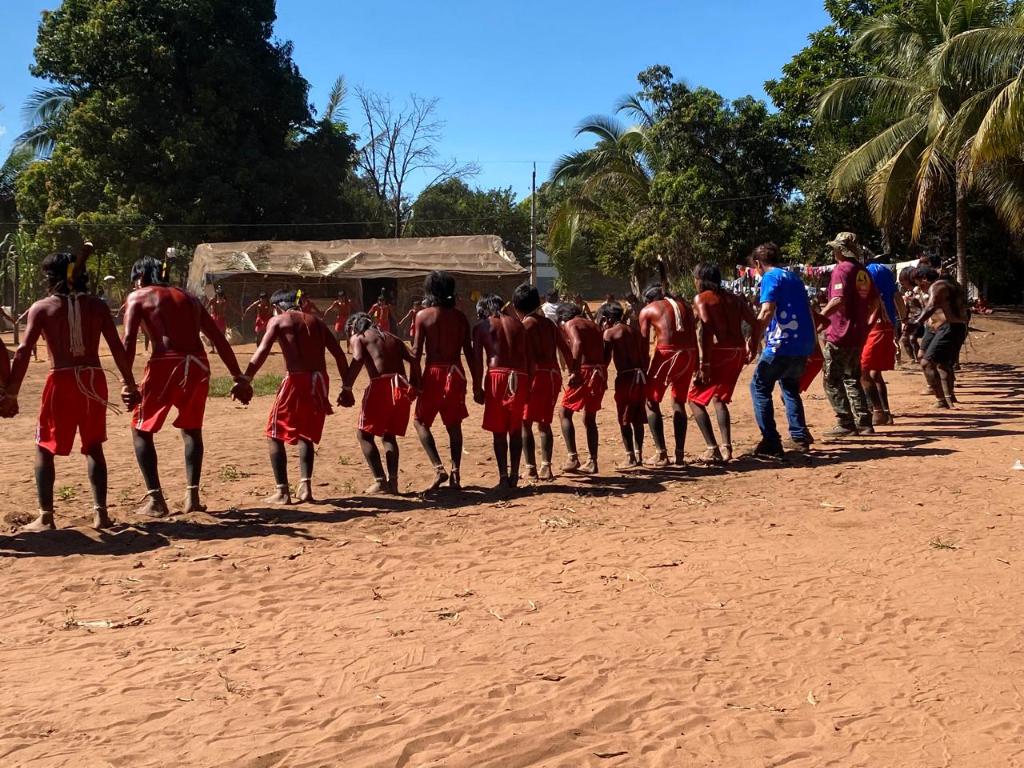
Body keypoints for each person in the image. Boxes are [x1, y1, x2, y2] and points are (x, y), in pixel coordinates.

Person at [1, 247, 141, 531]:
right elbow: (117, 347)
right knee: (93, 446)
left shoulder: (43, 307)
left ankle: (46, 516)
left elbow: (24, 351)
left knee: (44, 447)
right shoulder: (97, 306)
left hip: (61, 381)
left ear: (51, 277)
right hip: (93, 380)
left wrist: (11, 393)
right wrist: (128, 382)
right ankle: (101, 514)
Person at [123, 257, 252, 517]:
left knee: (141, 429)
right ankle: (192, 497)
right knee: (192, 429)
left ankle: (156, 500)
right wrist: (238, 376)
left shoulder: (139, 296)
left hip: (166, 362)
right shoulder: (190, 298)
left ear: (141, 277)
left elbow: (128, 340)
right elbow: (218, 338)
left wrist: (128, 383)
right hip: (198, 364)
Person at [236, 290, 349, 505]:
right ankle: (305, 487)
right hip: (320, 380)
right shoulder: (317, 322)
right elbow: (339, 355)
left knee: (274, 433)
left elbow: (263, 350)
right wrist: (347, 386)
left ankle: (282, 491)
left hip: (297, 379)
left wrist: (246, 379)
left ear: (277, 307)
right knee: (306, 433)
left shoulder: (279, 320)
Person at [340, 312, 420, 494]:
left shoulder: (359, 337)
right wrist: (416, 384)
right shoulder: (392, 337)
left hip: (381, 385)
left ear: (353, 327)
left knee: (364, 435)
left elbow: (357, 359)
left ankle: (380, 481)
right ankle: (393, 482)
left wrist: (346, 388)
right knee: (388, 436)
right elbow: (414, 358)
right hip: (401, 386)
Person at [747, 243, 815, 456]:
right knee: (790, 387)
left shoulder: (770, 277)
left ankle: (771, 441)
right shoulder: (794, 278)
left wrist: (754, 340)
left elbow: (766, 311)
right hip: (802, 344)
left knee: (759, 387)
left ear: (758, 263)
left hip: (780, 344)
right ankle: (799, 436)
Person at [687, 263, 759, 463]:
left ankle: (712, 448)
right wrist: (752, 344)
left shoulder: (701, 299)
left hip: (719, 352)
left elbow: (707, 331)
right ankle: (726, 448)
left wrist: (705, 364)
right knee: (719, 398)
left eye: (696, 278)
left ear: (701, 280)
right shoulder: (735, 298)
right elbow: (754, 322)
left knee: (694, 399)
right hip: (737, 351)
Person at [412, 272, 474, 490]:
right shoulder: (460, 318)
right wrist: (477, 384)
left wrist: (414, 380)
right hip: (456, 373)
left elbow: (416, 352)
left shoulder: (423, 316)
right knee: (454, 425)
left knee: (420, 422)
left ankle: (439, 468)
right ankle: (456, 472)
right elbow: (470, 353)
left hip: (433, 372)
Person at [819, 232, 879, 437]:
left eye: (835, 248)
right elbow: (875, 301)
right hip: (857, 333)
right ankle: (864, 422)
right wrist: (867, 324)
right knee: (852, 377)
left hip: (840, 333)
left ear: (841, 250)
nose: (833, 252)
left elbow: (838, 300)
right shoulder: (862, 271)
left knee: (831, 379)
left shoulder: (842, 269)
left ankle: (845, 422)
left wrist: (819, 319)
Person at [472, 294, 530, 489]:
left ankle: (503, 477)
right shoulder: (519, 324)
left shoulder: (482, 326)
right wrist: (528, 383)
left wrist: (476, 387)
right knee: (515, 428)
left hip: (497, 375)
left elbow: (477, 360)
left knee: (499, 430)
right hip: (520, 375)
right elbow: (528, 357)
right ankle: (514, 474)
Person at [639, 279, 697, 467]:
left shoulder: (648, 310)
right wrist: (698, 363)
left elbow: (643, 343)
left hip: (667, 354)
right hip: (689, 354)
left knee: (650, 401)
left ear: (649, 299)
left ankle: (661, 453)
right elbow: (694, 335)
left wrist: (642, 367)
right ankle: (679, 455)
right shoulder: (685, 306)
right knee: (678, 401)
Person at [514, 283, 567, 482]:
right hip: (553, 375)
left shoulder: (525, 326)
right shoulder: (550, 325)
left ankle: (530, 469)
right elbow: (565, 349)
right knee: (544, 423)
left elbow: (524, 356)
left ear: (517, 306)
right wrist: (574, 371)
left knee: (525, 422)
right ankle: (546, 466)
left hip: (536, 376)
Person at [556, 302, 608, 473]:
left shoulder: (571, 323)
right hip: (599, 371)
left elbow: (577, 343)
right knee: (590, 417)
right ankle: (592, 461)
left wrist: (575, 371)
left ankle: (572, 458)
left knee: (564, 412)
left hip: (585, 371)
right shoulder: (593, 325)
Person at [908, 266, 968, 408]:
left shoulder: (938, 286)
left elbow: (931, 307)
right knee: (939, 362)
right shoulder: (946, 284)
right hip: (942, 327)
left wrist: (917, 322)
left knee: (928, 362)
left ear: (924, 279)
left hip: (950, 327)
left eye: (920, 284)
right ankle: (948, 397)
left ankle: (942, 399)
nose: (920, 288)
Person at [600, 302, 648, 469]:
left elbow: (605, 360)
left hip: (626, 378)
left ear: (608, 318)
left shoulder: (610, 333)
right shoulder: (634, 331)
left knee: (625, 418)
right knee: (637, 417)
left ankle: (630, 457)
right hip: (640, 377)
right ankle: (639, 454)